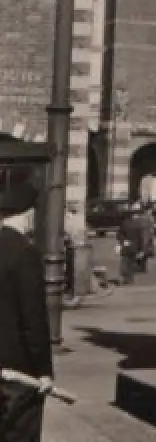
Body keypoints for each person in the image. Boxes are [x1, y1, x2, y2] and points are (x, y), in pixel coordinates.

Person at [0, 167, 53, 442]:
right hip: (18, 374)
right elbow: (33, 319)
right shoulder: (24, 253)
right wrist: (43, 371)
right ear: (29, 214)